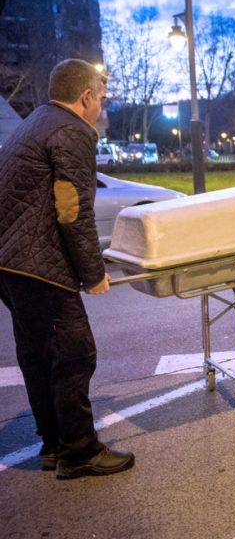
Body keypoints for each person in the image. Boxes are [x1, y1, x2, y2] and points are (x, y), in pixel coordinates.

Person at [0, 59, 134, 479]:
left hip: (10, 262)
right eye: (102, 98)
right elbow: (73, 210)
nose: (102, 107)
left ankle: (53, 446)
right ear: (86, 96)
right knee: (75, 354)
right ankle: (80, 452)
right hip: (40, 266)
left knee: (38, 355)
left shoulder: (35, 122)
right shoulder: (72, 130)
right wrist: (93, 275)